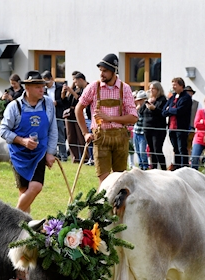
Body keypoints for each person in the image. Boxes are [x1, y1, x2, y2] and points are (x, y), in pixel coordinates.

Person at [0, 70, 57, 214]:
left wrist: (50, 153)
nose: (42, 89)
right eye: (38, 86)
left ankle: (11, 218)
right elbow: (3, 131)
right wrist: (22, 141)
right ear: (27, 88)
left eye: (42, 86)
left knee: (36, 187)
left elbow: (53, 129)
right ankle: (24, 227)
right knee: (24, 192)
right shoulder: (14, 107)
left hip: (39, 153)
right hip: (19, 155)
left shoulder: (48, 104)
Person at [74, 54, 138, 184]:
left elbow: (133, 117)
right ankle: (105, 204)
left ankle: (117, 205)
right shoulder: (93, 87)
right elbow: (78, 109)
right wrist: (85, 133)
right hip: (100, 138)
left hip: (120, 138)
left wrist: (110, 118)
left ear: (114, 71)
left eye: (105, 71)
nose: (102, 74)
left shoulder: (124, 88)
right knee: (104, 179)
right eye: (101, 71)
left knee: (120, 179)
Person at [162, 77, 193, 168]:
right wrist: (172, 110)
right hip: (171, 127)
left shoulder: (186, 97)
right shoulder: (172, 97)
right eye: (172, 85)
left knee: (182, 148)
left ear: (181, 85)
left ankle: (184, 167)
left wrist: (170, 109)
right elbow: (164, 112)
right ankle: (177, 166)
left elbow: (180, 111)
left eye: (175, 85)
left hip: (181, 127)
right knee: (175, 149)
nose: (173, 87)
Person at [62, 71, 90, 164]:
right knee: (71, 137)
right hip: (70, 115)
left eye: (75, 81)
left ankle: (85, 158)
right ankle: (75, 158)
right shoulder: (75, 89)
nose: (74, 83)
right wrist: (66, 92)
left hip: (82, 116)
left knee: (81, 138)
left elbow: (81, 101)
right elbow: (66, 101)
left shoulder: (87, 88)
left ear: (80, 80)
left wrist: (72, 92)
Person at [42, 70, 68, 162]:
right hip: (47, 116)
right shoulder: (43, 90)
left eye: (46, 81)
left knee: (60, 136)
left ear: (51, 79)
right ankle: (51, 154)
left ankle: (63, 156)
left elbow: (65, 102)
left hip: (57, 115)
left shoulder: (59, 87)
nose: (45, 83)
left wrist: (56, 102)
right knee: (48, 136)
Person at [143, 80, 168, 170]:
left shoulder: (162, 100)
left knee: (157, 150)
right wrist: (146, 103)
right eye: (150, 89)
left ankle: (164, 169)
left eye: (153, 88)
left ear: (158, 90)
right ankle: (153, 168)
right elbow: (141, 112)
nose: (151, 90)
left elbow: (163, 113)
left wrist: (154, 109)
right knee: (151, 150)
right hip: (147, 128)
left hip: (158, 129)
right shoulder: (148, 100)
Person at [132, 90, 150, 170]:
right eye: (138, 100)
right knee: (137, 150)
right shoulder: (137, 108)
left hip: (142, 132)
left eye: (140, 100)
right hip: (136, 131)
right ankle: (140, 165)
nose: (138, 102)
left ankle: (145, 166)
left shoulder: (146, 108)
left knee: (143, 151)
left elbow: (137, 119)